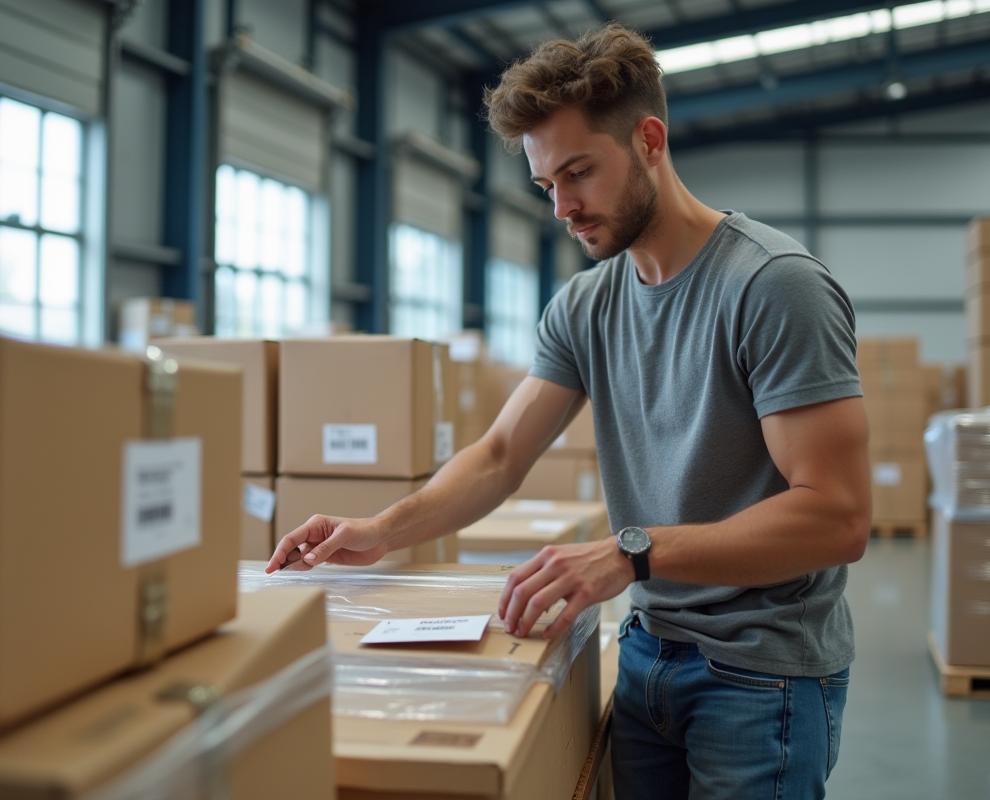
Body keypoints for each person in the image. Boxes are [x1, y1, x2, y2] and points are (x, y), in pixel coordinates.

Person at [266, 22, 870, 800]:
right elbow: (498, 457)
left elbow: (838, 518)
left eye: (578, 173)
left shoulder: (772, 287)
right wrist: (380, 531)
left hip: (760, 674)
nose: (562, 207)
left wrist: (631, 554)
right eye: (547, 185)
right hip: (650, 652)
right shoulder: (587, 304)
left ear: (649, 139)